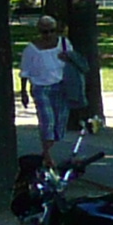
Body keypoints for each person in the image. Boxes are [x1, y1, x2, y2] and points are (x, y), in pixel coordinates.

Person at [19, 16, 80, 149]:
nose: (49, 35)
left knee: (60, 123)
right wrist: (23, 91)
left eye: (52, 31)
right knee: (47, 122)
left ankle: (47, 151)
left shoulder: (64, 43)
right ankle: (46, 155)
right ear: (39, 31)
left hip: (61, 86)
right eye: (45, 32)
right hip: (41, 88)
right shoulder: (31, 49)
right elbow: (25, 71)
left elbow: (74, 62)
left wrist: (69, 58)